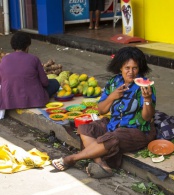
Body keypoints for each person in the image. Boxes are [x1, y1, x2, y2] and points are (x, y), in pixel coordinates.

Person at [52, 47, 156, 179]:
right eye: (127, 68)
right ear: (120, 68)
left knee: (114, 137)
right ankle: (101, 163)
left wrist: (147, 99)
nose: (131, 72)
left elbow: (147, 118)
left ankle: (72, 158)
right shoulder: (114, 82)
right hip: (114, 125)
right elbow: (101, 110)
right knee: (85, 128)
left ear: (140, 68)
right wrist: (112, 96)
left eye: (134, 68)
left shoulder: (145, 86)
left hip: (138, 130)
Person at [0, 32, 59, 110]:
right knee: (54, 83)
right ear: (27, 46)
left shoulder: (4, 60)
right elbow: (45, 83)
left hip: (9, 101)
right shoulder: (34, 59)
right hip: (35, 100)